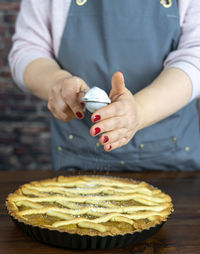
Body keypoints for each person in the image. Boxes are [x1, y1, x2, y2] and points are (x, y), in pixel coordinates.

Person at [9, 0, 200, 171]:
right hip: (78, 157)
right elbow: (28, 47)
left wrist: (140, 110)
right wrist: (57, 82)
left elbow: (195, 54)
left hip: (174, 161)